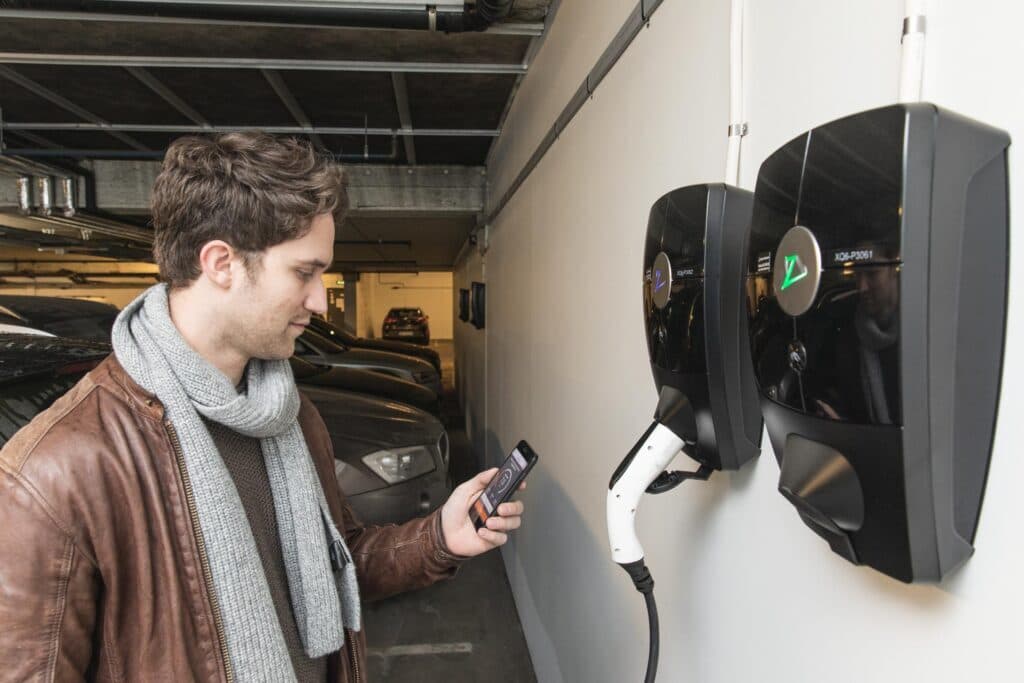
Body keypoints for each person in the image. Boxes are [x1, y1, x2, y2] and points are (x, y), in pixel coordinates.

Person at [0, 132, 524, 682]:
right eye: (304, 272)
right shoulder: (56, 471)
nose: (321, 301)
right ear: (221, 262)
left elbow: (336, 562)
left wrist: (440, 537)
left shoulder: (288, 414)